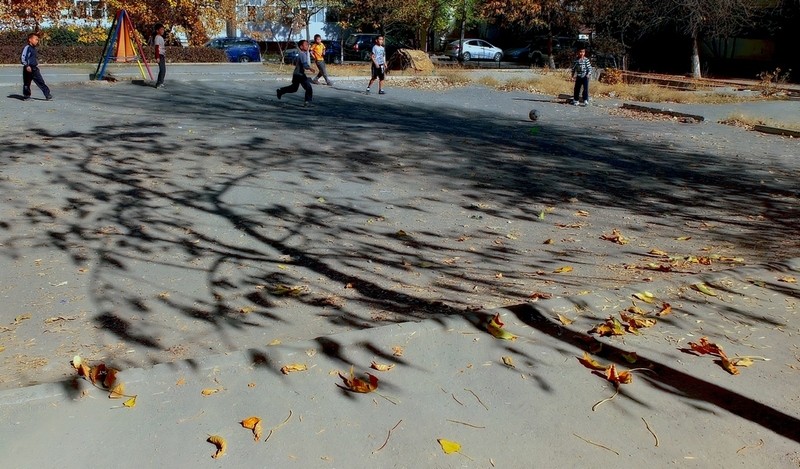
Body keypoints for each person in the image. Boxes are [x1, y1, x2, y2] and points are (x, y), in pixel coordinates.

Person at [276, 39, 315, 106]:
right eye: (306, 45)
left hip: (296, 74)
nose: (307, 46)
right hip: (300, 74)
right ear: (301, 47)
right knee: (308, 87)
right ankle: (307, 102)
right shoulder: (303, 54)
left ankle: (281, 91)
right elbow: (304, 65)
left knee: (294, 88)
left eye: (308, 44)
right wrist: (310, 68)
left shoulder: (301, 54)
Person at [21, 32, 52, 101]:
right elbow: (23, 57)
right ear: (30, 39)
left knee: (41, 81)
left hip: (34, 69)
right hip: (28, 68)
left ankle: (47, 94)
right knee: (27, 83)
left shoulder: (34, 48)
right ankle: (26, 96)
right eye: (36, 39)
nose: (37, 41)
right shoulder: (27, 48)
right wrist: (26, 66)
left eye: (38, 40)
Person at [153, 24, 166, 88]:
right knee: (162, 69)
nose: (163, 31)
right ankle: (159, 83)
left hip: (162, 55)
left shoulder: (161, 37)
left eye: (163, 29)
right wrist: (157, 57)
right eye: (161, 29)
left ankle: (161, 82)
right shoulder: (157, 37)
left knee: (163, 69)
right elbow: (156, 48)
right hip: (160, 55)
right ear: (157, 30)